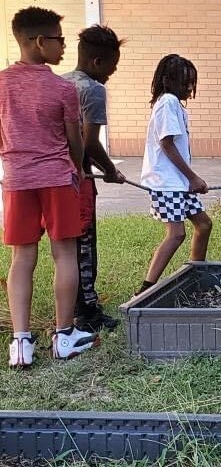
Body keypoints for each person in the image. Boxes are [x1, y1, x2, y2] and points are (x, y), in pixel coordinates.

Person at [1, 7, 98, 367]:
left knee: (21, 258)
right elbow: (76, 143)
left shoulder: (1, 84)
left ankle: (21, 343)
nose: (62, 46)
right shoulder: (63, 88)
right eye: (58, 39)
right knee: (65, 254)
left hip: (16, 181)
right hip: (57, 180)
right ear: (39, 42)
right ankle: (64, 335)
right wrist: (77, 169)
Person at [63, 24, 127, 332]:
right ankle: (87, 311)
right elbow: (89, 142)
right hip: (80, 178)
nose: (109, 76)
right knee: (85, 245)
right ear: (97, 62)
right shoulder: (92, 89)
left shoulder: (60, 83)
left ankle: (73, 307)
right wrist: (111, 171)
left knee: (65, 247)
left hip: (56, 178)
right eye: (111, 69)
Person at [137, 54, 213, 295]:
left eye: (192, 81)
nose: (190, 87)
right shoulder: (168, 102)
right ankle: (145, 289)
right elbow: (166, 143)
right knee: (176, 233)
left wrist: (188, 179)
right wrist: (193, 177)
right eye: (186, 81)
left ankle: (196, 273)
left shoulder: (172, 103)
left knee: (203, 224)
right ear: (169, 80)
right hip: (166, 183)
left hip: (178, 183)